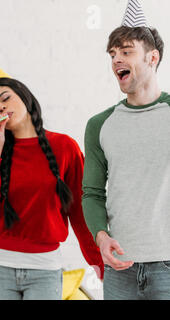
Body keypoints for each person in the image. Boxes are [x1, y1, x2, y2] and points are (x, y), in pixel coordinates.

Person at [0, 58, 103, 300]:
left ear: (25, 97)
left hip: (45, 269)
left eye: (5, 98)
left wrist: (98, 261)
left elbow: (81, 212)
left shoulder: (65, 147)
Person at [82, 0, 170, 300]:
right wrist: (101, 236)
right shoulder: (100, 125)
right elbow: (92, 193)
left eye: (126, 51)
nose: (116, 59)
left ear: (152, 57)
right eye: (113, 54)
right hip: (120, 267)